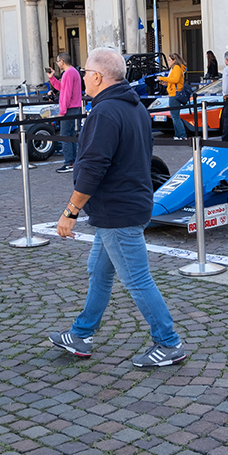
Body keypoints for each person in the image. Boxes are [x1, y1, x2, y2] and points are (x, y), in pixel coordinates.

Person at [50, 47, 187, 367]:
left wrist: (70, 212)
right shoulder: (134, 106)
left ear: (97, 77)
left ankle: (168, 342)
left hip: (117, 211)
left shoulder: (105, 112)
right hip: (127, 204)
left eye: (85, 73)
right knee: (98, 272)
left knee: (137, 279)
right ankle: (81, 333)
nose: (83, 77)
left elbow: (93, 168)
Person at [48, 52, 84, 172]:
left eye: (58, 61)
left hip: (69, 109)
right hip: (74, 107)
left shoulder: (68, 73)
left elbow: (66, 94)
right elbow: (62, 88)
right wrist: (52, 78)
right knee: (70, 135)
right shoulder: (73, 72)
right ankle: (73, 162)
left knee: (66, 136)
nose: (57, 64)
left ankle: (69, 162)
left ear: (62, 62)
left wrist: (62, 112)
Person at [158, 53, 187, 140]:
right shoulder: (175, 68)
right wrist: (166, 83)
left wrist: (163, 78)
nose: (168, 62)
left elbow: (175, 79)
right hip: (174, 93)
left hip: (174, 94)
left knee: (175, 116)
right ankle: (178, 135)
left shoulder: (176, 68)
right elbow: (174, 81)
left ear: (174, 60)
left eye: (170, 60)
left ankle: (181, 135)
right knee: (175, 116)